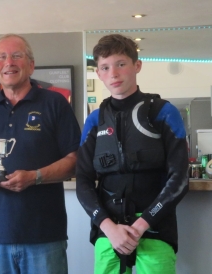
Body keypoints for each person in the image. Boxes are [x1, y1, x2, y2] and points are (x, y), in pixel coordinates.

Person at [0, 34, 81, 274]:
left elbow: (75, 160)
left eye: (17, 56)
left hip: (45, 238)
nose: (9, 62)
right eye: (2, 57)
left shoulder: (55, 103)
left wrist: (35, 176)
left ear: (31, 65)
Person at [76, 34, 189, 274]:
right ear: (98, 73)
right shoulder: (95, 120)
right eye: (105, 68)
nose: (113, 74)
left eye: (121, 64)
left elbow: (179, 179)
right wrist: (107, 226)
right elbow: (83, 180)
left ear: (137, 65)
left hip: (155, 226)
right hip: (109, 232)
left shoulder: (163, 112)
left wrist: (142, 224)